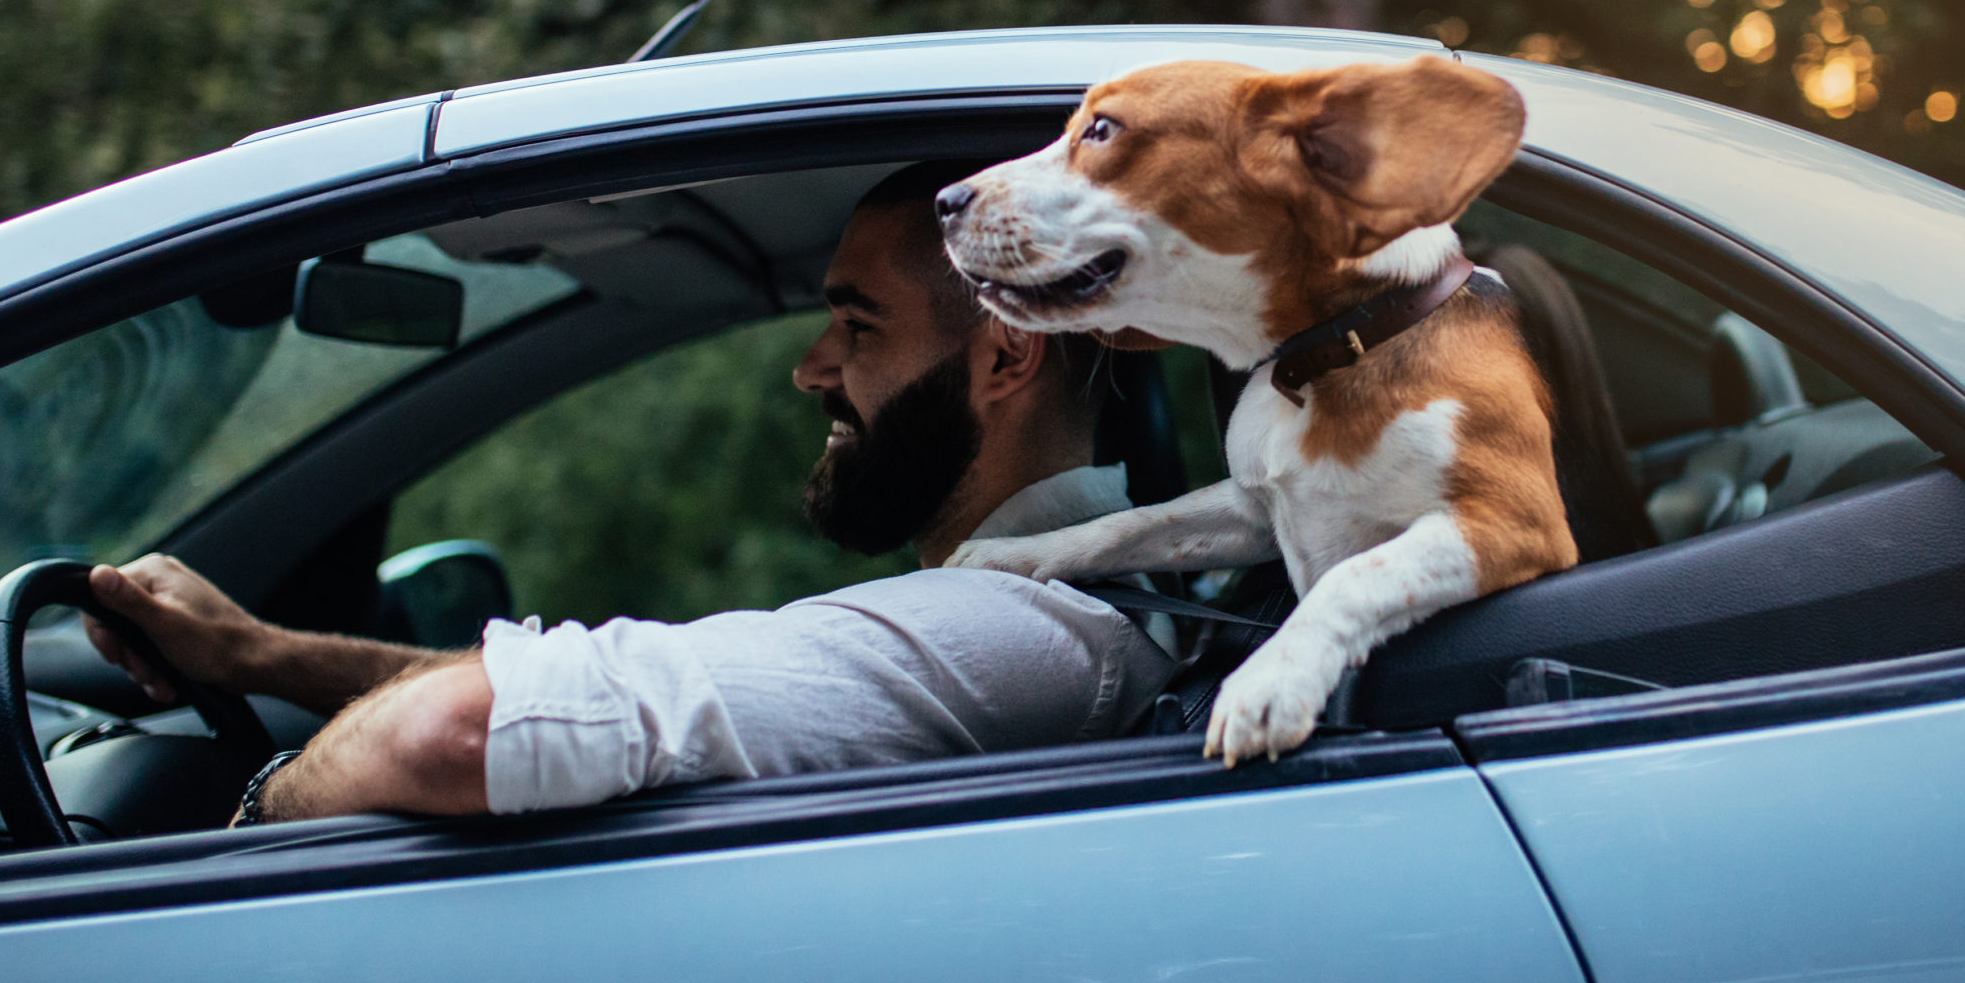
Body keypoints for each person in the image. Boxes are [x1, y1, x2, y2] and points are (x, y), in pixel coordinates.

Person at [84, 165, 1176, 825]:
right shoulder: (1051, 618)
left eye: (857, 325)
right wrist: (261, 659)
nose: (811, 368)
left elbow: (466, 729)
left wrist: (254, 809)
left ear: (1004, 360)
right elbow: (592, 696)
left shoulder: (1013, 629)